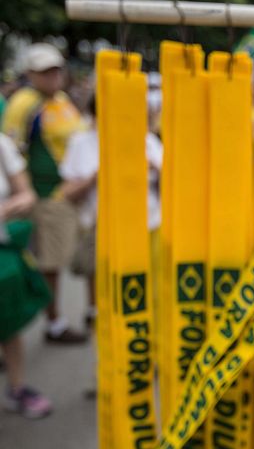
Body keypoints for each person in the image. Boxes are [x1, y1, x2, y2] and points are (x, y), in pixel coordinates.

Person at [2, 43, 87, 343]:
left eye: (55, 70)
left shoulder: (61, 100)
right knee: (49, 262)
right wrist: (28, 195)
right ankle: (54, 322)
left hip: (69, 191)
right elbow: (14, 154)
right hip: (47, 194)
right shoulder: (24, 104)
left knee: (63, 259)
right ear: (32, 74)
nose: (53, 77)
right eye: (45, 72)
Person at [60, 94, 163, 337]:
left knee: (147, 291)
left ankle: (145, 342)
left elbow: (172, 186)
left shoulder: (148, 141)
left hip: (148, 228)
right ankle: (109, 342)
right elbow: (67, 192)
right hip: (103, 230)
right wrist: (95, 176)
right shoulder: (81, 143)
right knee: (108, 294)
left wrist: (154, 167)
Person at [0, 132, 52, 418]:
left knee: (8, 321)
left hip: (3, 250)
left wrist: (15, 204)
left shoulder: (2, 145)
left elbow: (26, 193)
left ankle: (16, 388)